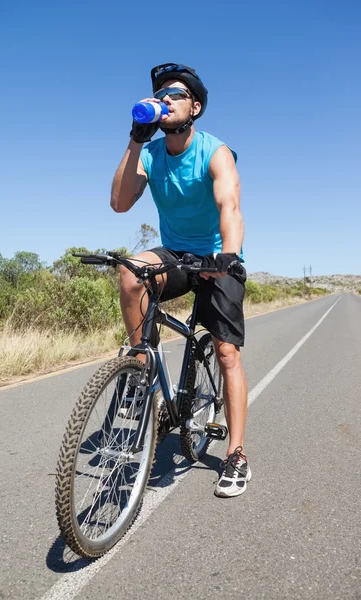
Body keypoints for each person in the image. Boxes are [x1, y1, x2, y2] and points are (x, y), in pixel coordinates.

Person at [110, 63, 251, 498]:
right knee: (130, 269)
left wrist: (227, 258)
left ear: (196, 107)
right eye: (161, 94)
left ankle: (237, 453)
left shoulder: (215, 150)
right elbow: (119, 203)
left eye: (175, 94)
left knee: (226, 352)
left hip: (213, 254)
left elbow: (230, 205)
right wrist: (136, 139)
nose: (165, 99)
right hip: (173, 253)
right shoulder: (150, 153)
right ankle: (139, 368)